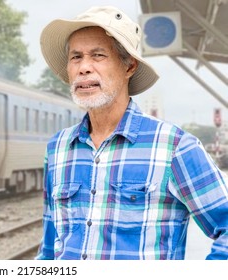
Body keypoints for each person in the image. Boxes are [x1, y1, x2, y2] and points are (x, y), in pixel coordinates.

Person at [35, 6, 228, 260]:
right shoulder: (58, 148)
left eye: (98, 55)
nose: (84, 67)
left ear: (129, 67)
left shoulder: (174, 147)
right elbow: (50, 246)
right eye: (76, 57)